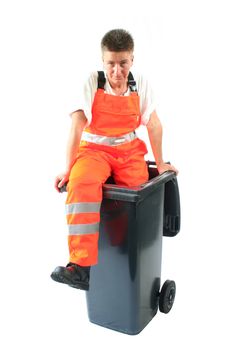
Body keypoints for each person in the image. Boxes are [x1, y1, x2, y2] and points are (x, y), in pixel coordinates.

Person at [51, 29, 178, 291]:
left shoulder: (139, 83)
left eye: (123, 63)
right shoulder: (91, 82)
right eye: (111, 63)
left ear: (132, 59)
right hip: (94, 150)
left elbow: (153, 125)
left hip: (129, 149)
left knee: (138, 193)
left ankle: (124, 248)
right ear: (103, 61)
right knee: (81, 183)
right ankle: (81, 268)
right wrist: (68, 168)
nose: (117, 71)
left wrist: (161, 162)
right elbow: (76, 127)